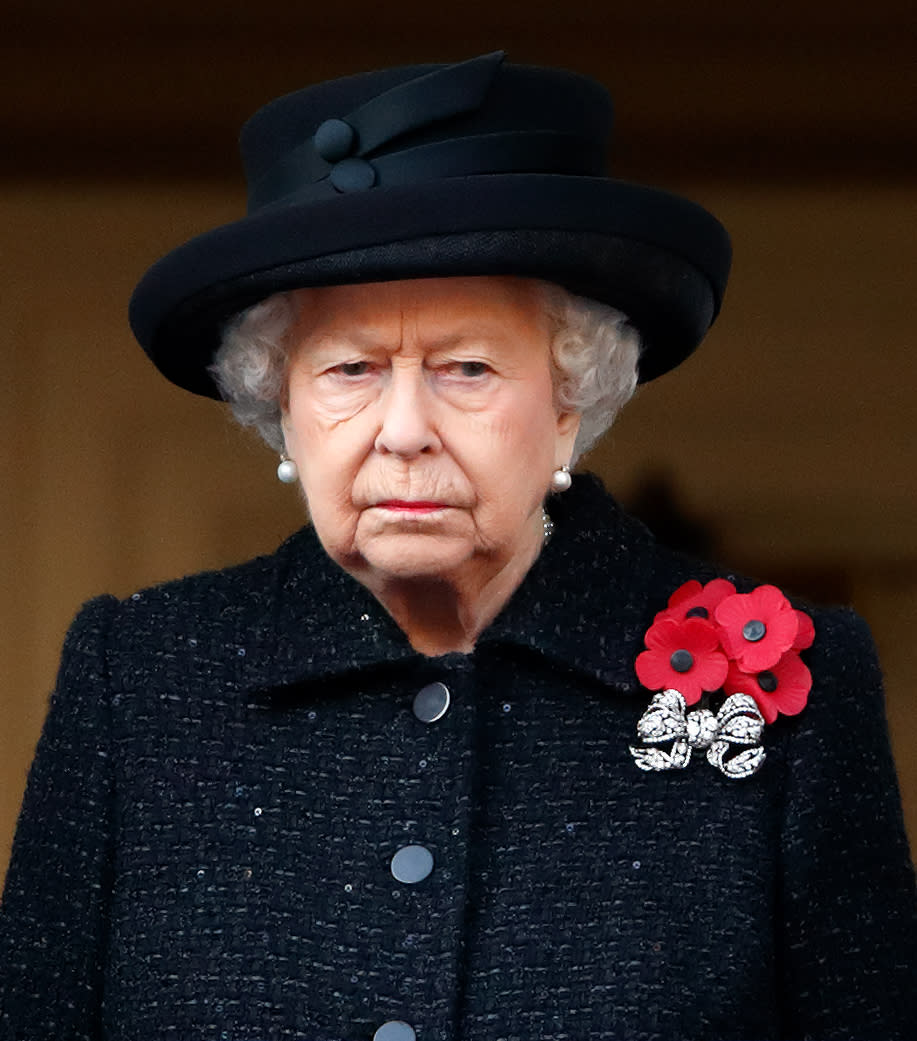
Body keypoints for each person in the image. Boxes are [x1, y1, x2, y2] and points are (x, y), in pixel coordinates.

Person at [0, 51, 914, 1041]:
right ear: (282, 409)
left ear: (571, 402)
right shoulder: (137, 681)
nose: (402, 430)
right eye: (349, 369)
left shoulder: (792, 692)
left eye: (466, 368)